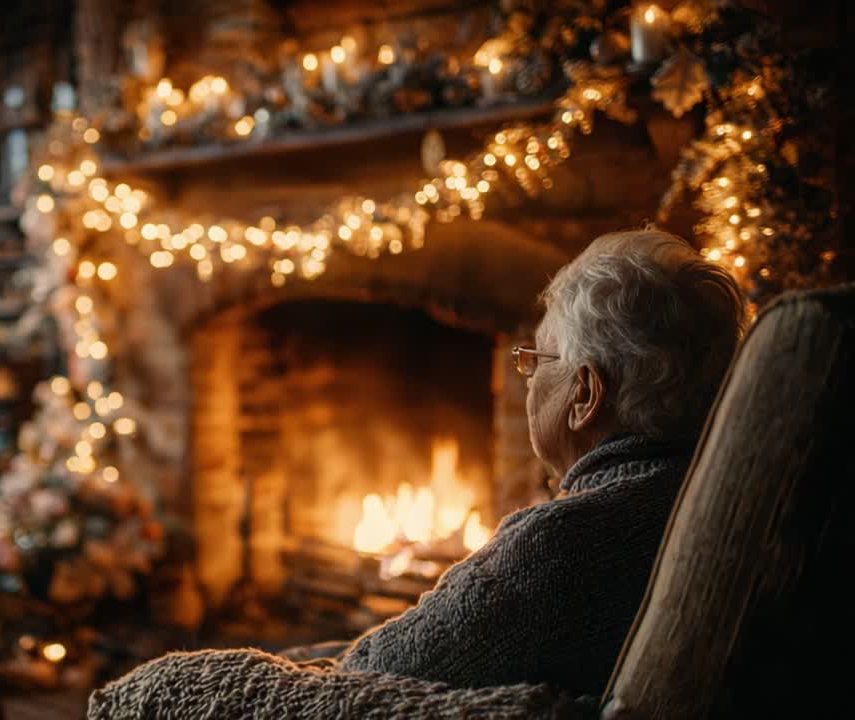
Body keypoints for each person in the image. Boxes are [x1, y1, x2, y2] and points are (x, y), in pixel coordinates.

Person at [89, 228, 746, 715]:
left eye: (536, 360)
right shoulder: (708, 504)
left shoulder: (564, 547)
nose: (526, 381)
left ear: (584, 395)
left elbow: (370, 675)